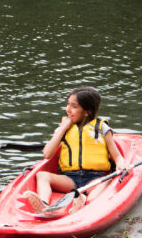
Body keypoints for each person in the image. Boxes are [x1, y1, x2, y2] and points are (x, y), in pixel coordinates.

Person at [25, 86, 128, 217]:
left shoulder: (102, 128)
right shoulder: (65, 129)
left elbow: (117, 156)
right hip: (70, 179)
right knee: (42, 175)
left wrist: (121, 164)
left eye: (74, 106)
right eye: (68, 104)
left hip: (95, 179)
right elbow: (47, 154)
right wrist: (62, 128)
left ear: (87, 112)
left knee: (101, 188)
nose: (68, 109)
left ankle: (84, 204)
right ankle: (44, 205)